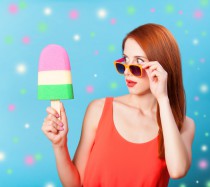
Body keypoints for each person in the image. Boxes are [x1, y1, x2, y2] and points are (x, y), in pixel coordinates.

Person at [42, 23, 195, 187]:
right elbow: (75, 183)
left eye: (138, 62)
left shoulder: (183, 125)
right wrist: (59, 145)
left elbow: (177, 171)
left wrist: (163, 99)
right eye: (126, 60)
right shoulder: (98, 110)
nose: (128, 71)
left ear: (161, 67)